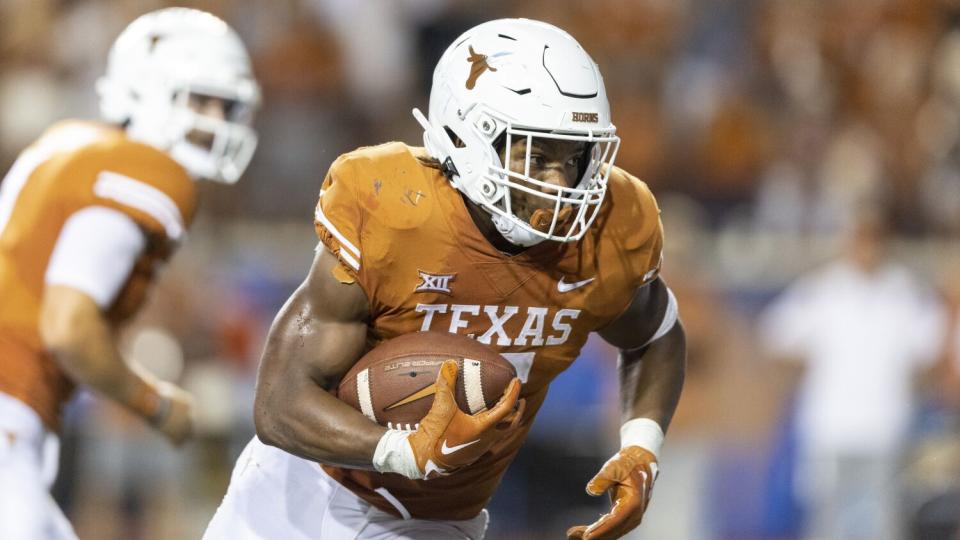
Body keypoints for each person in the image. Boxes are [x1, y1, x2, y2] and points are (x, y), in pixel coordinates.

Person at [206, 18, 685, 540]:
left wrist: (641, 446)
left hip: (439, 521)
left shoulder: (608, 230)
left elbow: (656, 333)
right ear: (466, 134)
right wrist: (401, 450)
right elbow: (278, 403)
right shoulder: (397, 212)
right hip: (308, 492)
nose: (560, 183)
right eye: (536, 155)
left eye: (575, 158)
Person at [0, 8, 260, 539]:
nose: (216, 120)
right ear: (146, 93)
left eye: (226, 105)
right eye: (200, 100)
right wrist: (155, 404)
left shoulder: (68, 143)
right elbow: (68, 327)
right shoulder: (143, 175)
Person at [759, 206, 947, 540]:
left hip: (882, 426)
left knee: (881, 520)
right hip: (831, 425)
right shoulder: (824, 288)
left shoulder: (902, 291)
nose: (866, 249)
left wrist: (910, 387)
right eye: (859, 241)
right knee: (828, 519)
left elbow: (931, 348)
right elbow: (775, 334)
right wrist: (804, 370)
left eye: (873, 241)